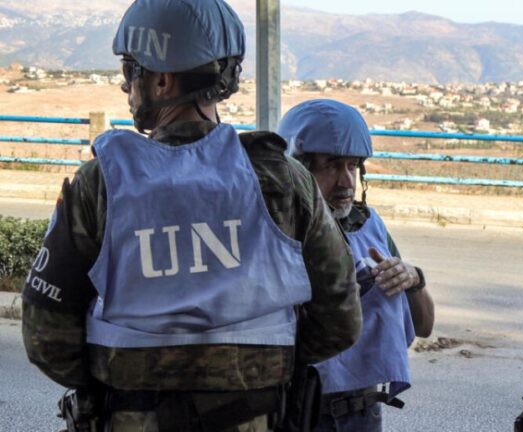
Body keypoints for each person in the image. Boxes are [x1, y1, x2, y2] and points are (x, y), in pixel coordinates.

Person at [22, 1, 362, 431]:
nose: (127, 87)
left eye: (131, 70)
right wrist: (258, 369)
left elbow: (45, 337)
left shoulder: (102, 182)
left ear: (161, 80)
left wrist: (118, 383)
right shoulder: (285, 180)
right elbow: (341, 319)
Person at [277, 99, 435, 432]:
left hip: (364, 412)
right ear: (298, 168)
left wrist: (413, 278)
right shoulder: (279, 231)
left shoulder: (369, 227)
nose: (346, 181)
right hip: (300, 410)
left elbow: (423, 325)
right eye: (332, 166)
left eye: (353, 166)